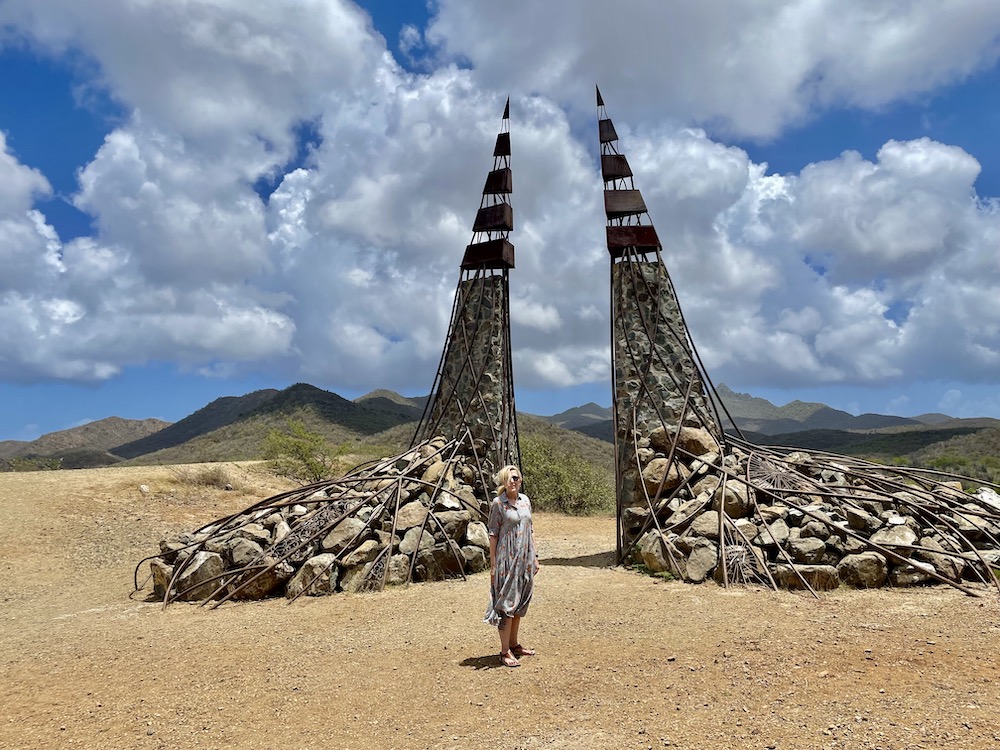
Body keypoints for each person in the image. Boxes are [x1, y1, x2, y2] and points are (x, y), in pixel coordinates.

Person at [483, 464, 539, 667]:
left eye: (515, 478)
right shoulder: (499, 504)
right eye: (509, 478)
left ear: (520, 480)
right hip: (507, 560)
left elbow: (530, 529)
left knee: (520, 602)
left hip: (525, 559)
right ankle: (504, 651)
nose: (513, 481)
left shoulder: (525, 501)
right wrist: (493, 564)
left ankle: (514, 644)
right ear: (503, 482)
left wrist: (535, 556)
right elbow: (493, 534)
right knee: (507, 605)